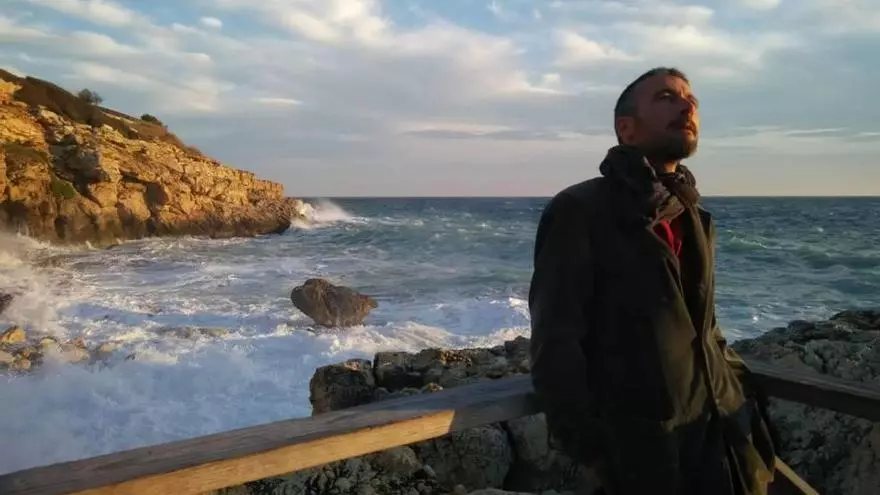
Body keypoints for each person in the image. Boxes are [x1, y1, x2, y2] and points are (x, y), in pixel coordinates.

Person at [527, 67, 779, 495]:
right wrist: (589, 448)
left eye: (691, 99)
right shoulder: (582, 210)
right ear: (626, 129)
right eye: (666, 97)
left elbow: (706, 329)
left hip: (723, 437)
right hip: (643, 453)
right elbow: (556, 340)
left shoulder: (694, 214)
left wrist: (747, 402)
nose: (687, 106)